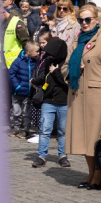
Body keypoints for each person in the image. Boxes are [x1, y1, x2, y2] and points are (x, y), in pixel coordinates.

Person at [66, 4, 101, 190]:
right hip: (78, 95)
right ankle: (90, 174)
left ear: (96, 19)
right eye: (81, 20)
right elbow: (65, 64)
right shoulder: (78, 39)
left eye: (88, 20)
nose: (84, 23)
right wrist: (72, 69)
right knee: (83, 139)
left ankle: (98, 175)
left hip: (97, 97)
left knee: (95, 139)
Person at [31, 37, 70, 168]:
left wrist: (56, 72)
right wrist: (35, 81)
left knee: (62, 131)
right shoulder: (48, 61)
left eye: (53, 53)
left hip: (63, 101)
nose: (50, 56)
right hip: (48, 100)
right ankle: (41, 155)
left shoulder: (67, 63)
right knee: (45, 129)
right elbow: (44, 77)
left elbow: (67, 83)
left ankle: (63, 156)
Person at [9, 40, 39, 138]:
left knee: (27, 112)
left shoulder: (36, 61)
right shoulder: (18, 61)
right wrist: (17, 85)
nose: (38, 53)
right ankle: (16, 128)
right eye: (37, 51)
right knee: (16, 111)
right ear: (29, 51)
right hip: (17, 91)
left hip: (28, 92)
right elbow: (12, 73)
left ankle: (25, 129)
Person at [27, 31, 52, 144]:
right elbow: (36, 68)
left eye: (44, 42)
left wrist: (35, 80)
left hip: (43, 86)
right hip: (36, 86)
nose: (42, 45)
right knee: (35, 109)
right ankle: (38, 131)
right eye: (40, 43)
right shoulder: (41, 55)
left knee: (42, 111)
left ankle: (42, 133)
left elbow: (44, 74)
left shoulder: (49, 56)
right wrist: (32, 79)